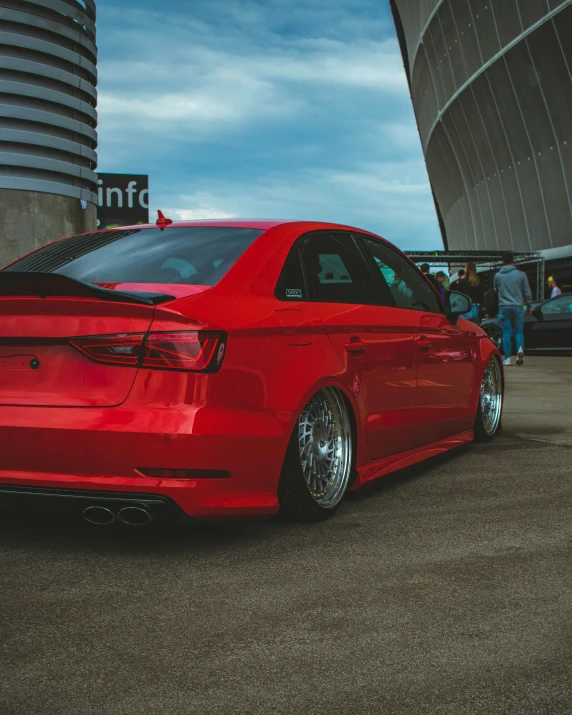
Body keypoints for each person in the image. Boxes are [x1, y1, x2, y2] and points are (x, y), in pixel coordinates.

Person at [494, 253, 532, 366]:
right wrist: (529, 305)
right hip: (518, 306)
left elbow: (495, 289)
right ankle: (519, 349)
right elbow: (527, 292)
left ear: (502, 261)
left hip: (504, 307)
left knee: (506, 333)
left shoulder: (498, 276)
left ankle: (508, 358)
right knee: (519, 331)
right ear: (513, 260)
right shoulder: (522, 275)